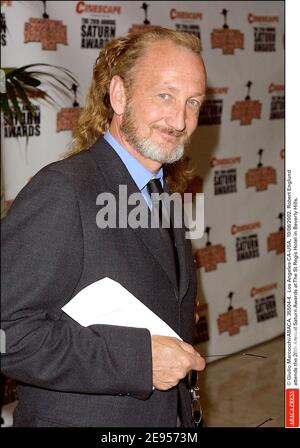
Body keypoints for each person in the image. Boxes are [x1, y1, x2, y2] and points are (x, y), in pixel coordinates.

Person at [1, 28, 207, 427]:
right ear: (119, 95)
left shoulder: (161, 188)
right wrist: (139, 361)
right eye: (164, 95)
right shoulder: (63, 191)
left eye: (193, 102)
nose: (180, 119)